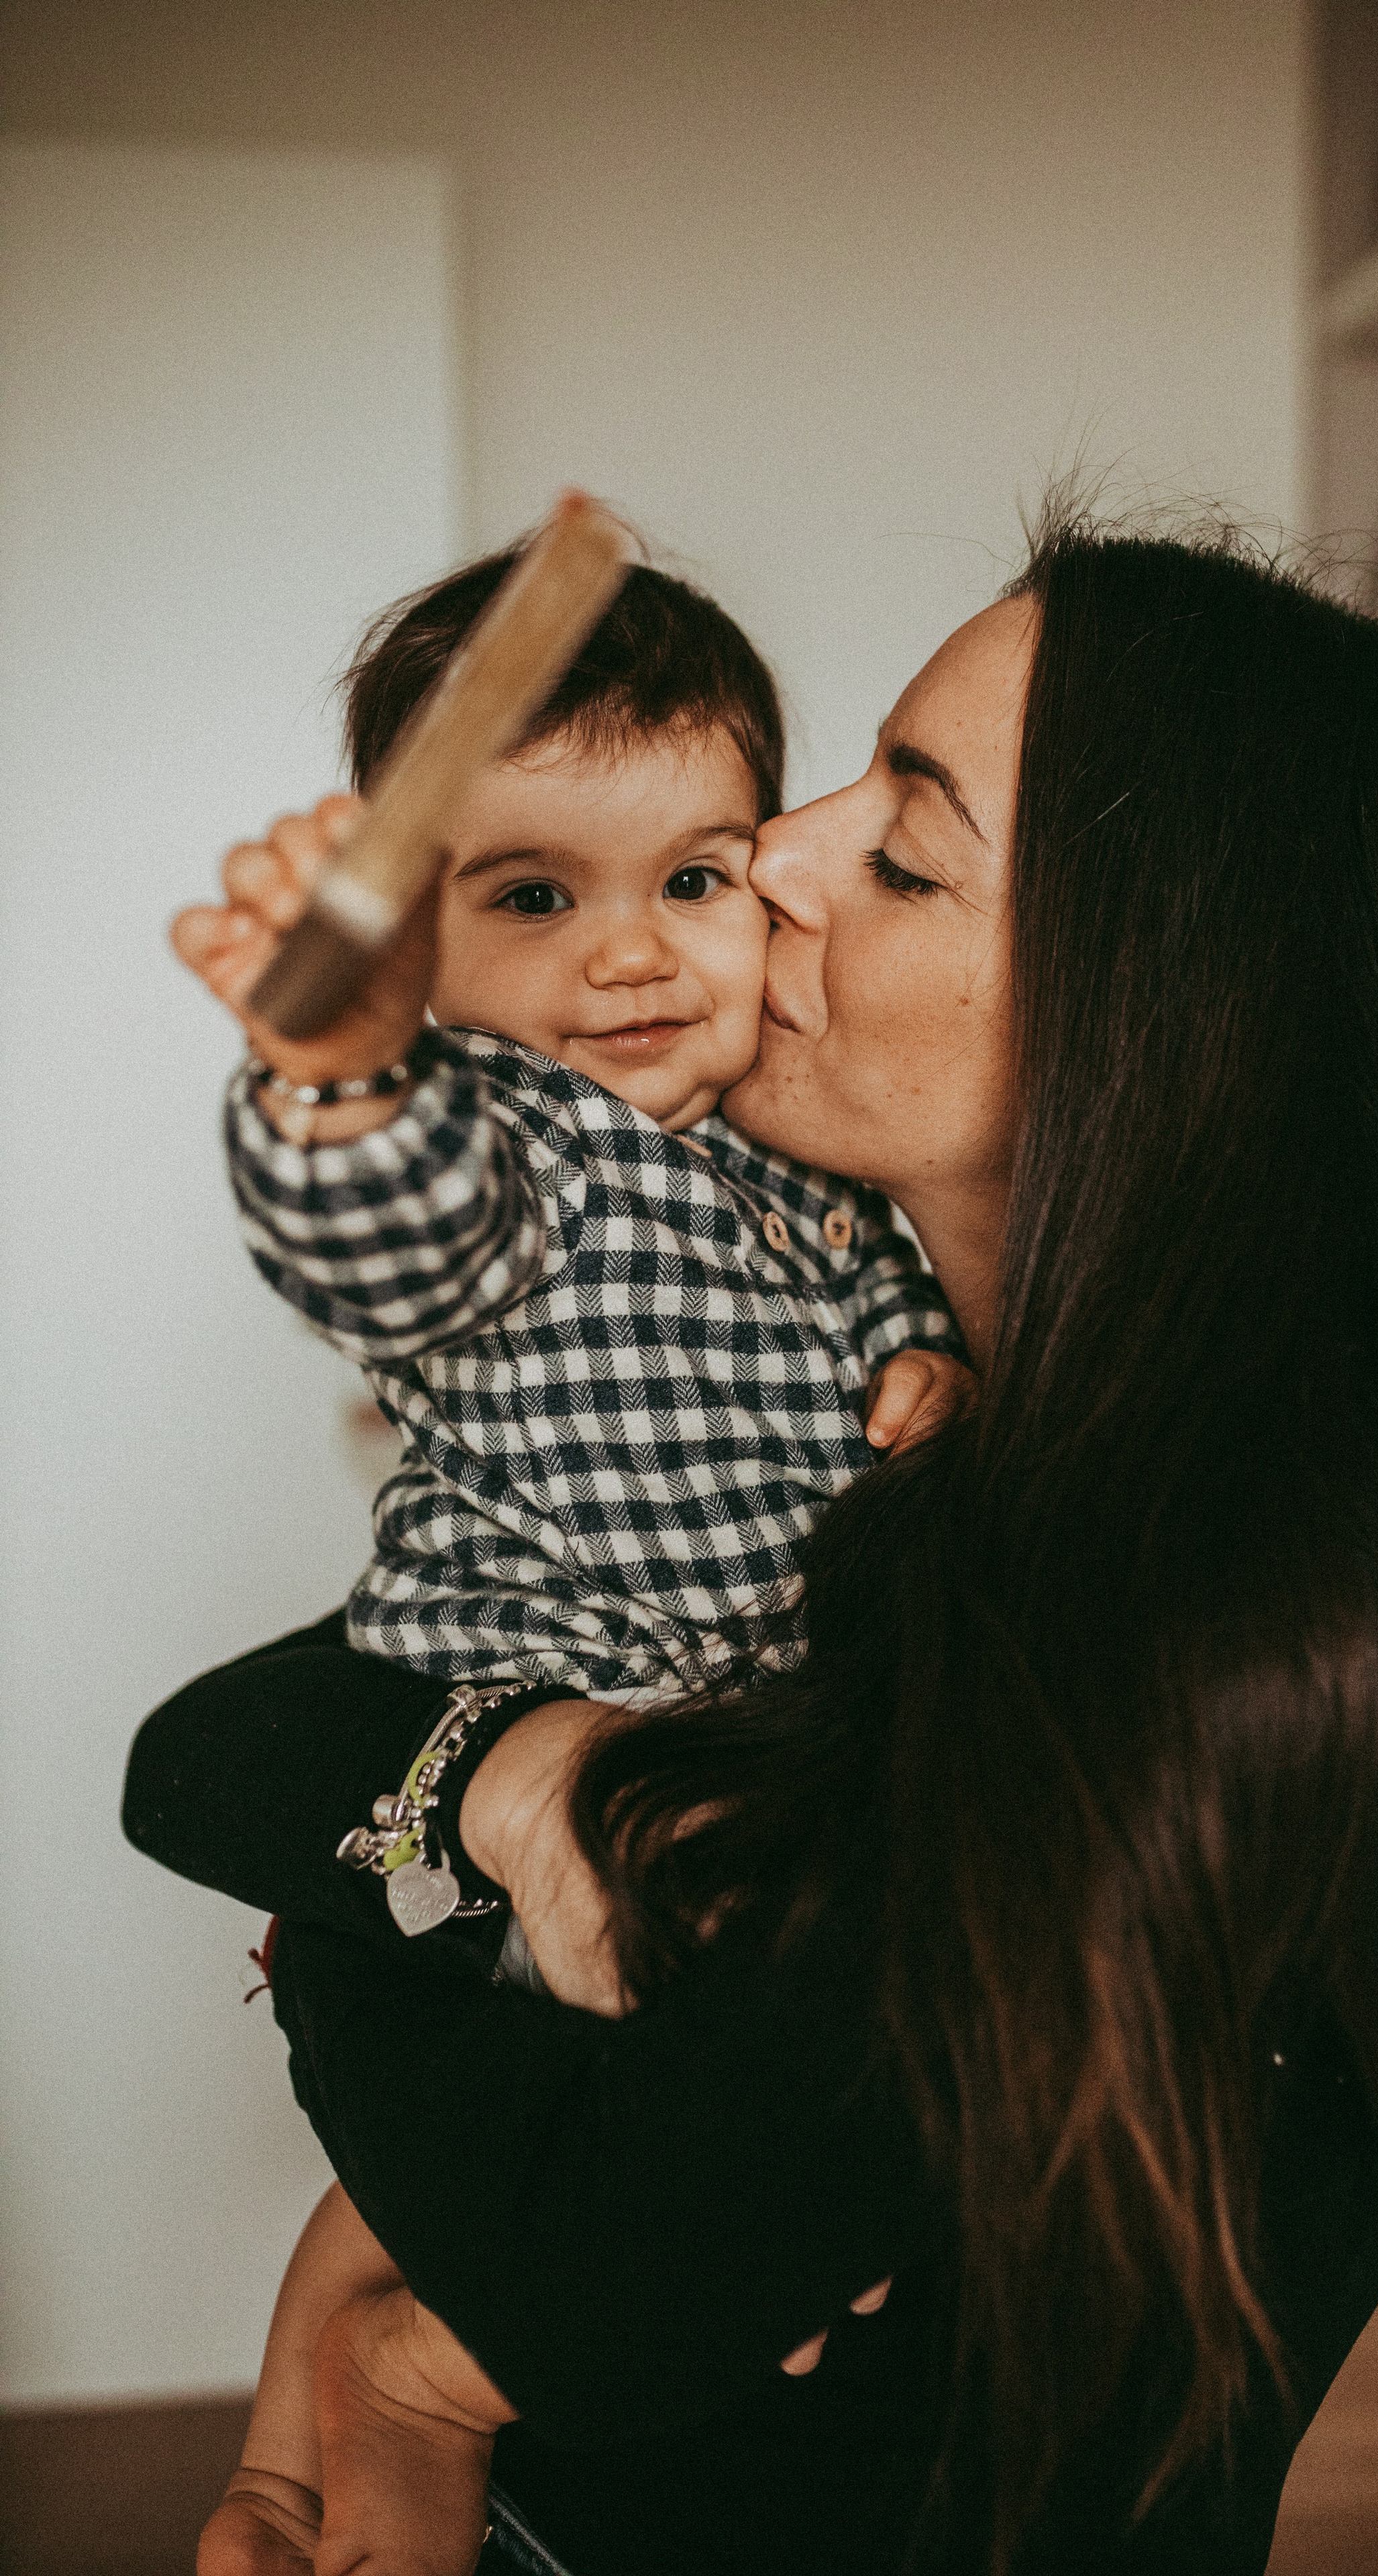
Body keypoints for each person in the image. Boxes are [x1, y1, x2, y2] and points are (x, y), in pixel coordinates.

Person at [126, 506, 1378, 2576]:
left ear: (1173, 1020)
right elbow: (219, 1743)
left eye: (906, 845)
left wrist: (370, 1902)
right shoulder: (874, 1395)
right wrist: (513, 1783)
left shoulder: (1258, 1635)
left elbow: (594, 2263)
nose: (770, 858)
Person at [165, 544, 972, 2548]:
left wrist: (925, 1366)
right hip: (564, 1685)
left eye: (692, 880)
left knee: (716, 2154)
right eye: (533, 898)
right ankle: (370, 2414)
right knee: (685, 2152)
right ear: (415, 942)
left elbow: (871, 1290)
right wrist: (329, 1084)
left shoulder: (790, 1159)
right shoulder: (507, 1142)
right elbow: (385, 1236)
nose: (631, 956)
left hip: (743, 1730)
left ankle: (358, 2393)